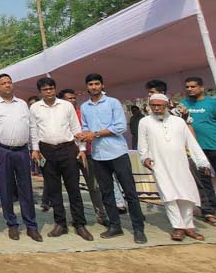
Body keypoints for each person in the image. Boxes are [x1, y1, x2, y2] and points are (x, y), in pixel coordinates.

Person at [78, 74, 146, 244]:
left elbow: (120, 127)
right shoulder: (85, 107)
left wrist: (95, 134)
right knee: (106, 192)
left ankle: (138, 229)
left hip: (117, 152)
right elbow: (85, 128)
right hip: (98, 155)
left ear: (102, 85)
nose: (94, 87)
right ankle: (115, 226)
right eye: (90, 84)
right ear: (87, 87)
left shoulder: (113, 103)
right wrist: (84, 136)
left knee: (129, 192)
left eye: (96, 84)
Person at [138, 93, 210, 241]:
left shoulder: (178, 122)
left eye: (159, 105)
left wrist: (202, 162)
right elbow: (142, 143)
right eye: (153, 105)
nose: (156, 108)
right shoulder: (144, 122)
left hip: (180, 165)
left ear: (167, 105)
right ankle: (178, 227)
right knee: (169, 196)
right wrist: (144, 157)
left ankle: (189, 226)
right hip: (159, 165)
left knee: (187, 195)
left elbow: (191, 143)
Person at [30, 77, 93, 241]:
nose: (49, 91)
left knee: (74, 188)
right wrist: (35, 149)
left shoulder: (66, 106)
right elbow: (34, 130)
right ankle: (60, 223)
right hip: (46, 151)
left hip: (68, 149)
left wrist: (82, 149)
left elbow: (76, 127)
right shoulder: (35, 108)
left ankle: (79, 224)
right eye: (45, 89)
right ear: (40, 92)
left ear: (55, 89)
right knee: (53, 189)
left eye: (51, 88)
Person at [146, 78, 216, 226]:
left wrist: (193, 151)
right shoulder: (151, 112)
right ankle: (181, 220)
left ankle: (209, 211)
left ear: (162, 93)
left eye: (152, 92)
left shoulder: (179, 108)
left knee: (200, 181)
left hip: (188, 153)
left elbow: (189, 128)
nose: (150, 96)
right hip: (165, 157)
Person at [0, 75, 43, 242]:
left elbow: (32, 126)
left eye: (9, 82)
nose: (7, 85)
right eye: (3, 83)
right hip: (3, 151)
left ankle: (31, 226)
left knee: (26, 188)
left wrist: (35, 148)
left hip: (22, 151)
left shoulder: (23, 104)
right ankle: (12, 224)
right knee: (6, 188)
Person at [57, 89, 109, 227]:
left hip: (88, 154)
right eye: (69, 99)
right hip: (68, 156)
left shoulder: (84, 112)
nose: (73, 101)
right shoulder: (58, 115)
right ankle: (77, 217)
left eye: (74, 98)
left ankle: (101, 215)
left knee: (94, 186)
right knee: (72, 188)